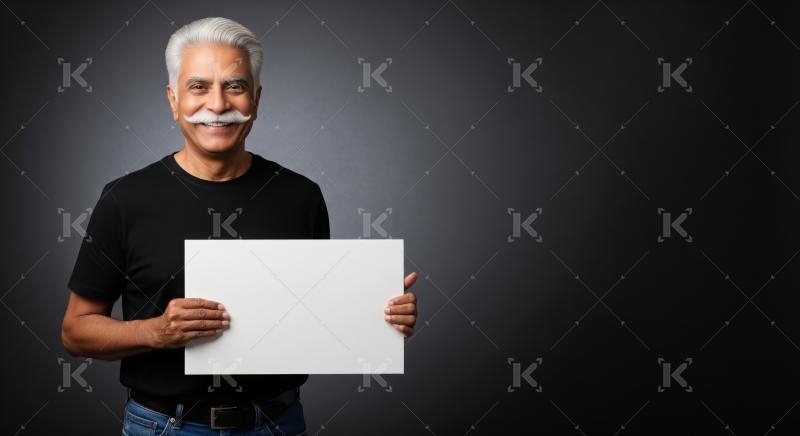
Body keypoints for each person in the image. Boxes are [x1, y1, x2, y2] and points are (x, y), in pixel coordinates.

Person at [60, 17, 418, 435]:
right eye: (199, 87)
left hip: (277, 423)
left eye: (235, 86)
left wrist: (377, 318)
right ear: (173, 99)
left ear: (256, 99)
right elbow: (75, 331)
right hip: (165, 426)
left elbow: (312, 320)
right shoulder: (124, 199)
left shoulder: (301, 196)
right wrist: (156, 332)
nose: (217, 104)